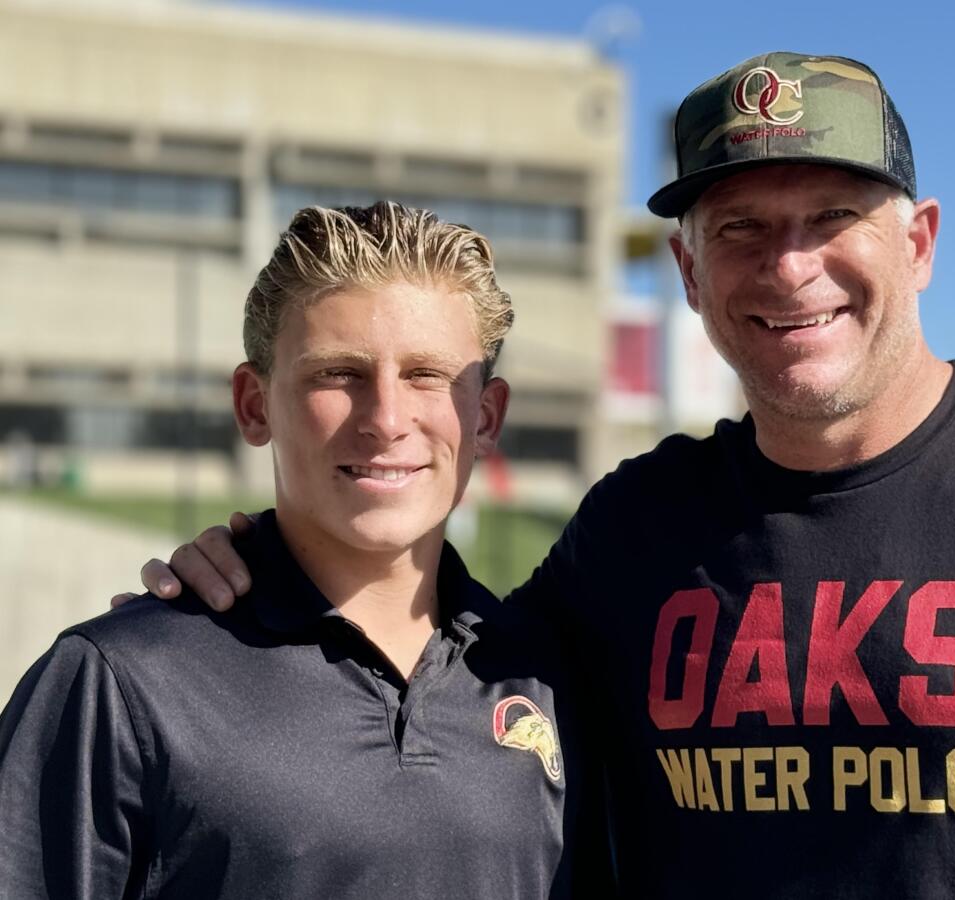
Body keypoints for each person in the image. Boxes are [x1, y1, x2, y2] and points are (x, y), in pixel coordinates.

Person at [130, 53, 955, 897]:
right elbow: (426, 654)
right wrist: (252, 571)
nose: (788, 265)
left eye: (833, 217)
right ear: (689, 271)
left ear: (918, 244)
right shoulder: (636, 528)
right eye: (740, 228)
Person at [0, 202, 596, 898]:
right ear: (255, 406)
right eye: (338, 373)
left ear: (485, 417)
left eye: (426, 374)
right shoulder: (121, 685)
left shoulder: (548, 681)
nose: (387, 419)